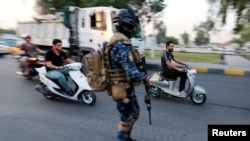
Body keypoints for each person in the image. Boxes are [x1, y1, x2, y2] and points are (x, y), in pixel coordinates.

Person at [107, 9, 148, 141]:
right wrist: (145, 77)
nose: (133, 29)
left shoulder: (116, 41)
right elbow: (131, 71)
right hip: (121, 88)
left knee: (133, 113)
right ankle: (122, 138)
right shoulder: (121, 44)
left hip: (124, 86)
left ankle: (126, 137)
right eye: (132, 26)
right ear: (128, 24)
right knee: (127, 116)